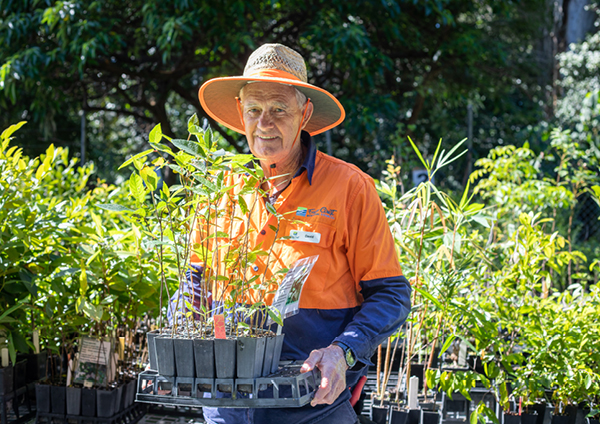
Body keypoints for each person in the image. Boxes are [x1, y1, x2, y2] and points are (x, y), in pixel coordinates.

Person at [190, 43, 411, 423]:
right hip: (226, 404)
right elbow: (194, 284)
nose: (265, 123)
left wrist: (342, 352)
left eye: (279, 109)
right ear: (240, 114)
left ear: (305, 113)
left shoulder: (349, 188)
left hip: (312, 404)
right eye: (254, 110)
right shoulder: (221, 191)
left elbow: (391, 294)